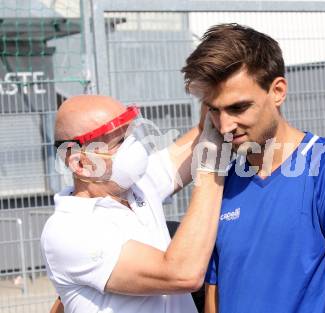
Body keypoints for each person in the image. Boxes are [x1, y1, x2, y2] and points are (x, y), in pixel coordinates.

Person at [181, 23, 325, 313]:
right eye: (214, 109)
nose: (224, 126)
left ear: (277, 91)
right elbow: (214, 299)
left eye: (238, 108)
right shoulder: (222, 183)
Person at [41, 95, 225, 313]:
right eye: (119, 142)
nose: (134, 147)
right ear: (80, 163)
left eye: (130, 135)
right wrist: (211, 169)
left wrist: (216, 87)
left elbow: (202, 135)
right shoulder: (69, 231)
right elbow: (183, 273)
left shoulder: (136, 186)